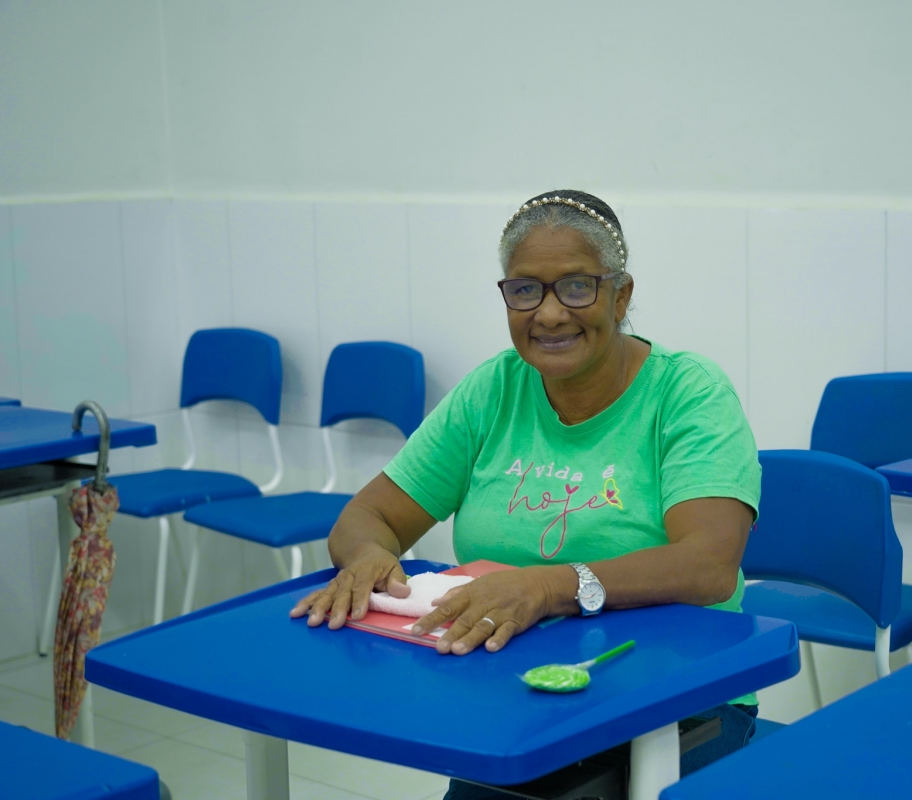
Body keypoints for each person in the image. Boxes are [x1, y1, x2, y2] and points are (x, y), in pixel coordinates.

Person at [291, 190, 762, 797]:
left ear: (621, 296)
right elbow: (370, 514)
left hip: (682, 700)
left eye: (577, 287)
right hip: (519, 692)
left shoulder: (688, 393)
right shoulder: (493, 389)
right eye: (525, 290)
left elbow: (708, 566)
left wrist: (548, 586)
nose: (550, 314)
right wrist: (366, 558)